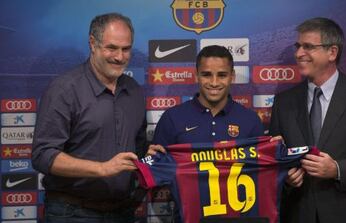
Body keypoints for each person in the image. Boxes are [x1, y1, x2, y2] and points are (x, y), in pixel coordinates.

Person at [32, 13, 159, 223]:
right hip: (72, 212)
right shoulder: (65, 90)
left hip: (123, 211)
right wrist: (102, 168)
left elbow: (134, 149)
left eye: (126, 49)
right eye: (111, 48)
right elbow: (42, 155)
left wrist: (148, 153)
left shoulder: (135, 91)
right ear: (93, 43)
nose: (119, 57)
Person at [269, 17, 346, 223]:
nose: (299, 53)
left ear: (332, 52)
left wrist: (337, 169)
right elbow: (275, 159)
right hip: (299, 214)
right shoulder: (284, 102)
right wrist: (287, 178)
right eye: (298, 46)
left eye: (308, 46)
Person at [147, 45, 265, 222]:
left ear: (232, 76)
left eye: (222, 75)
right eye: (207, 74)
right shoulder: (173, 118)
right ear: (196, 75)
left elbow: (263, 176)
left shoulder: (250, 120)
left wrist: (277, 153)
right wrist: (151, 162)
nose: (214, 83)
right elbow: (156, 175)